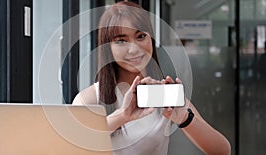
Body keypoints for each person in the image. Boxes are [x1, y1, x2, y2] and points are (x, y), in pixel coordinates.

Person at [73, 1, 231, 155]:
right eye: (121, 41)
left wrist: (184, 118)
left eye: (141, 36)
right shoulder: (90, 99)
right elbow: (71, 147)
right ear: (108, 47)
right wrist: (122, 116)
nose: (133, 49)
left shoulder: (163, 94)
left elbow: (222, 150)